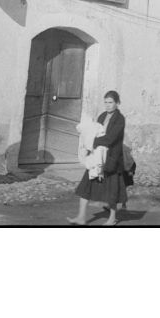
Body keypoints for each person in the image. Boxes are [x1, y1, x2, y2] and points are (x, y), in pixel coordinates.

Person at [68, 91, 127, 226]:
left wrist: (93, 141)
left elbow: (111, 138)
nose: (107, 105)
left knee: (112, 190)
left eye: (110, 102)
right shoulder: (102, 116)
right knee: (86, 186)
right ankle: (81, 217)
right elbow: (93, 130)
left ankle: (112, 218)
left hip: (111, 158)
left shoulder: (120, 119)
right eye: (105, 102)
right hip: (97, 157)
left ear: (117, 103)